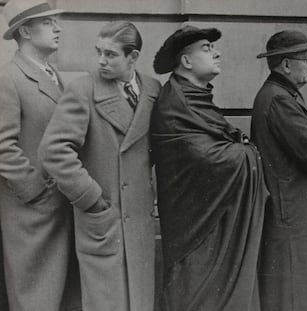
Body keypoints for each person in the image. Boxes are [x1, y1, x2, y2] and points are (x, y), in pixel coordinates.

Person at [39, 21, 161, 311]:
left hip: (140, 221)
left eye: (110, 54)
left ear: (133, 57)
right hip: (104, 218)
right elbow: (53, 150)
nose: (101, 61)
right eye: (99, 52)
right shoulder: (84, 90)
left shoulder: (153, 90)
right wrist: (91, 199)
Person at [151, 25, 267, 311]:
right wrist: (247, 153)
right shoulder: (174, 103)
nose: (216, 53)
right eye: (206, 48)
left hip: (212, 217)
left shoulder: (197, 98)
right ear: (186, 61)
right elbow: (207, 158)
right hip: (194, 227)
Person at [251, 30, 307, 311]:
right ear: (287, 64)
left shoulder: (279, 94)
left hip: (295, 213)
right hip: (293, 216)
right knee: (295, 293)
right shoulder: (280, 99)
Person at [0, 0, 81, 310]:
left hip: (58, 209)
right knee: (35, 299)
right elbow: (3, 147)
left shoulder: (52, 75)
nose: (58, 28)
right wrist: (37, 194)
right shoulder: (9, 78)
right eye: (48, 23)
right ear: (25, 31)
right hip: (31, 214)